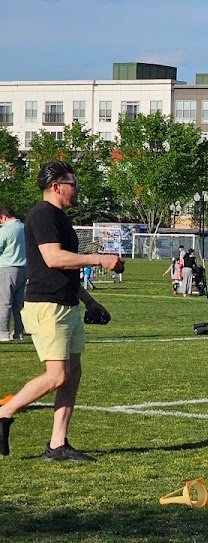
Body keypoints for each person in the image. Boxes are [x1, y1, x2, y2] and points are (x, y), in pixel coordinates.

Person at [0, 160, 121, 460]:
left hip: (67, 306)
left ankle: (57, 445)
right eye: (73, 184)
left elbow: (65, 268)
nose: (77, 189)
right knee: (56, 376)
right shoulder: (42, 215)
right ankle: (5, 411)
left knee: (72, 374)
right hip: (47, 307)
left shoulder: (61, 218)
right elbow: (53, 258)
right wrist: (99, 259)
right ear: (56, 187)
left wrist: (88, 300)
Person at [0, 207, 27, 342]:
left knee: (4, 302)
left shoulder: (5, 230)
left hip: (7, 267)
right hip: (23, 268)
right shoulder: (25, 228)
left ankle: (3, 332)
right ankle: (18, 332)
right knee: (19, 303)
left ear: (4, 217)